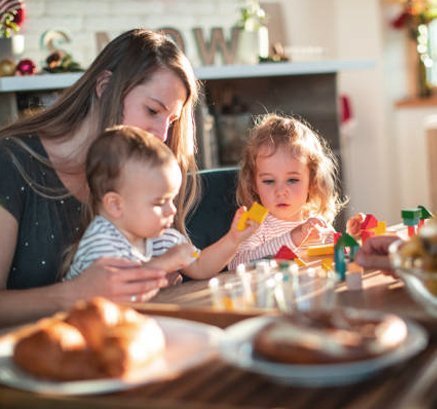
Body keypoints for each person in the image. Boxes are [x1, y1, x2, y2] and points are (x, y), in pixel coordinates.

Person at [0, 29, 201, 326]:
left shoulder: (139, 176)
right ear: (105, 86)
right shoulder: (10, 161)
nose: (162, 135)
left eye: (171, 121)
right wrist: (75, 293)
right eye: (152, 111)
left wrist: (148, 283)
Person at [63, 126, 258, 293]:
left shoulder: (161, 238)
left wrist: (233, 239)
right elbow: (115, 287)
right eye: (159, 202)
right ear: (115, 205)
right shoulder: (102, 240)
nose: (171, 210)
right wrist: (165, 262)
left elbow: (200, 267)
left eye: (172, 199)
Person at [228, 113, 343, 270]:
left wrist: (351, 237)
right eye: (269, 181)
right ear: (253, 184)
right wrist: (292, 238)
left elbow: (341, 256)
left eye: (292, 180)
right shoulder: (254, 225)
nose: (280, 191)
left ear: (312, 182)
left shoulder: (314, 221)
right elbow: (235, 264)